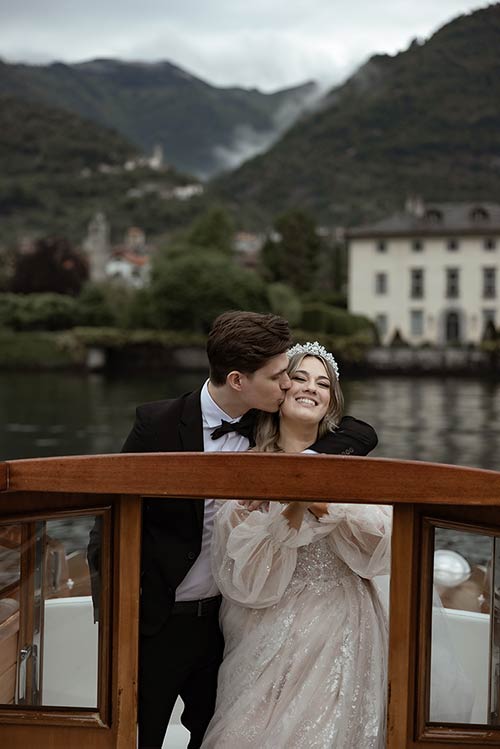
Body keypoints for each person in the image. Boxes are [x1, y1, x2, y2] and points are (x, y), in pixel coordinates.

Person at [120, 313, 378, 749]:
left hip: (226, 619)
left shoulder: (272, 424)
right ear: (239, 380)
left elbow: (358, 431)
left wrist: (298, 473)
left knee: (219, 732)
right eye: (282, 377)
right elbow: (112, 512)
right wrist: (115, 605)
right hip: (163, 617)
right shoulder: (158, 424)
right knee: (143, 735)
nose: (288, 386)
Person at [201, 342, 391, 749]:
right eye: (300, 378)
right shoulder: (247, 465)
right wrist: (291, 499)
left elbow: (378, 544)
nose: (311, 388)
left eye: (323, 383)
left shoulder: (353, 462)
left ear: (331, 401)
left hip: (337, 618)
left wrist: (307, 493)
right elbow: (244, 573)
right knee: (240, 733)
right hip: (263, 620)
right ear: (280, 389)